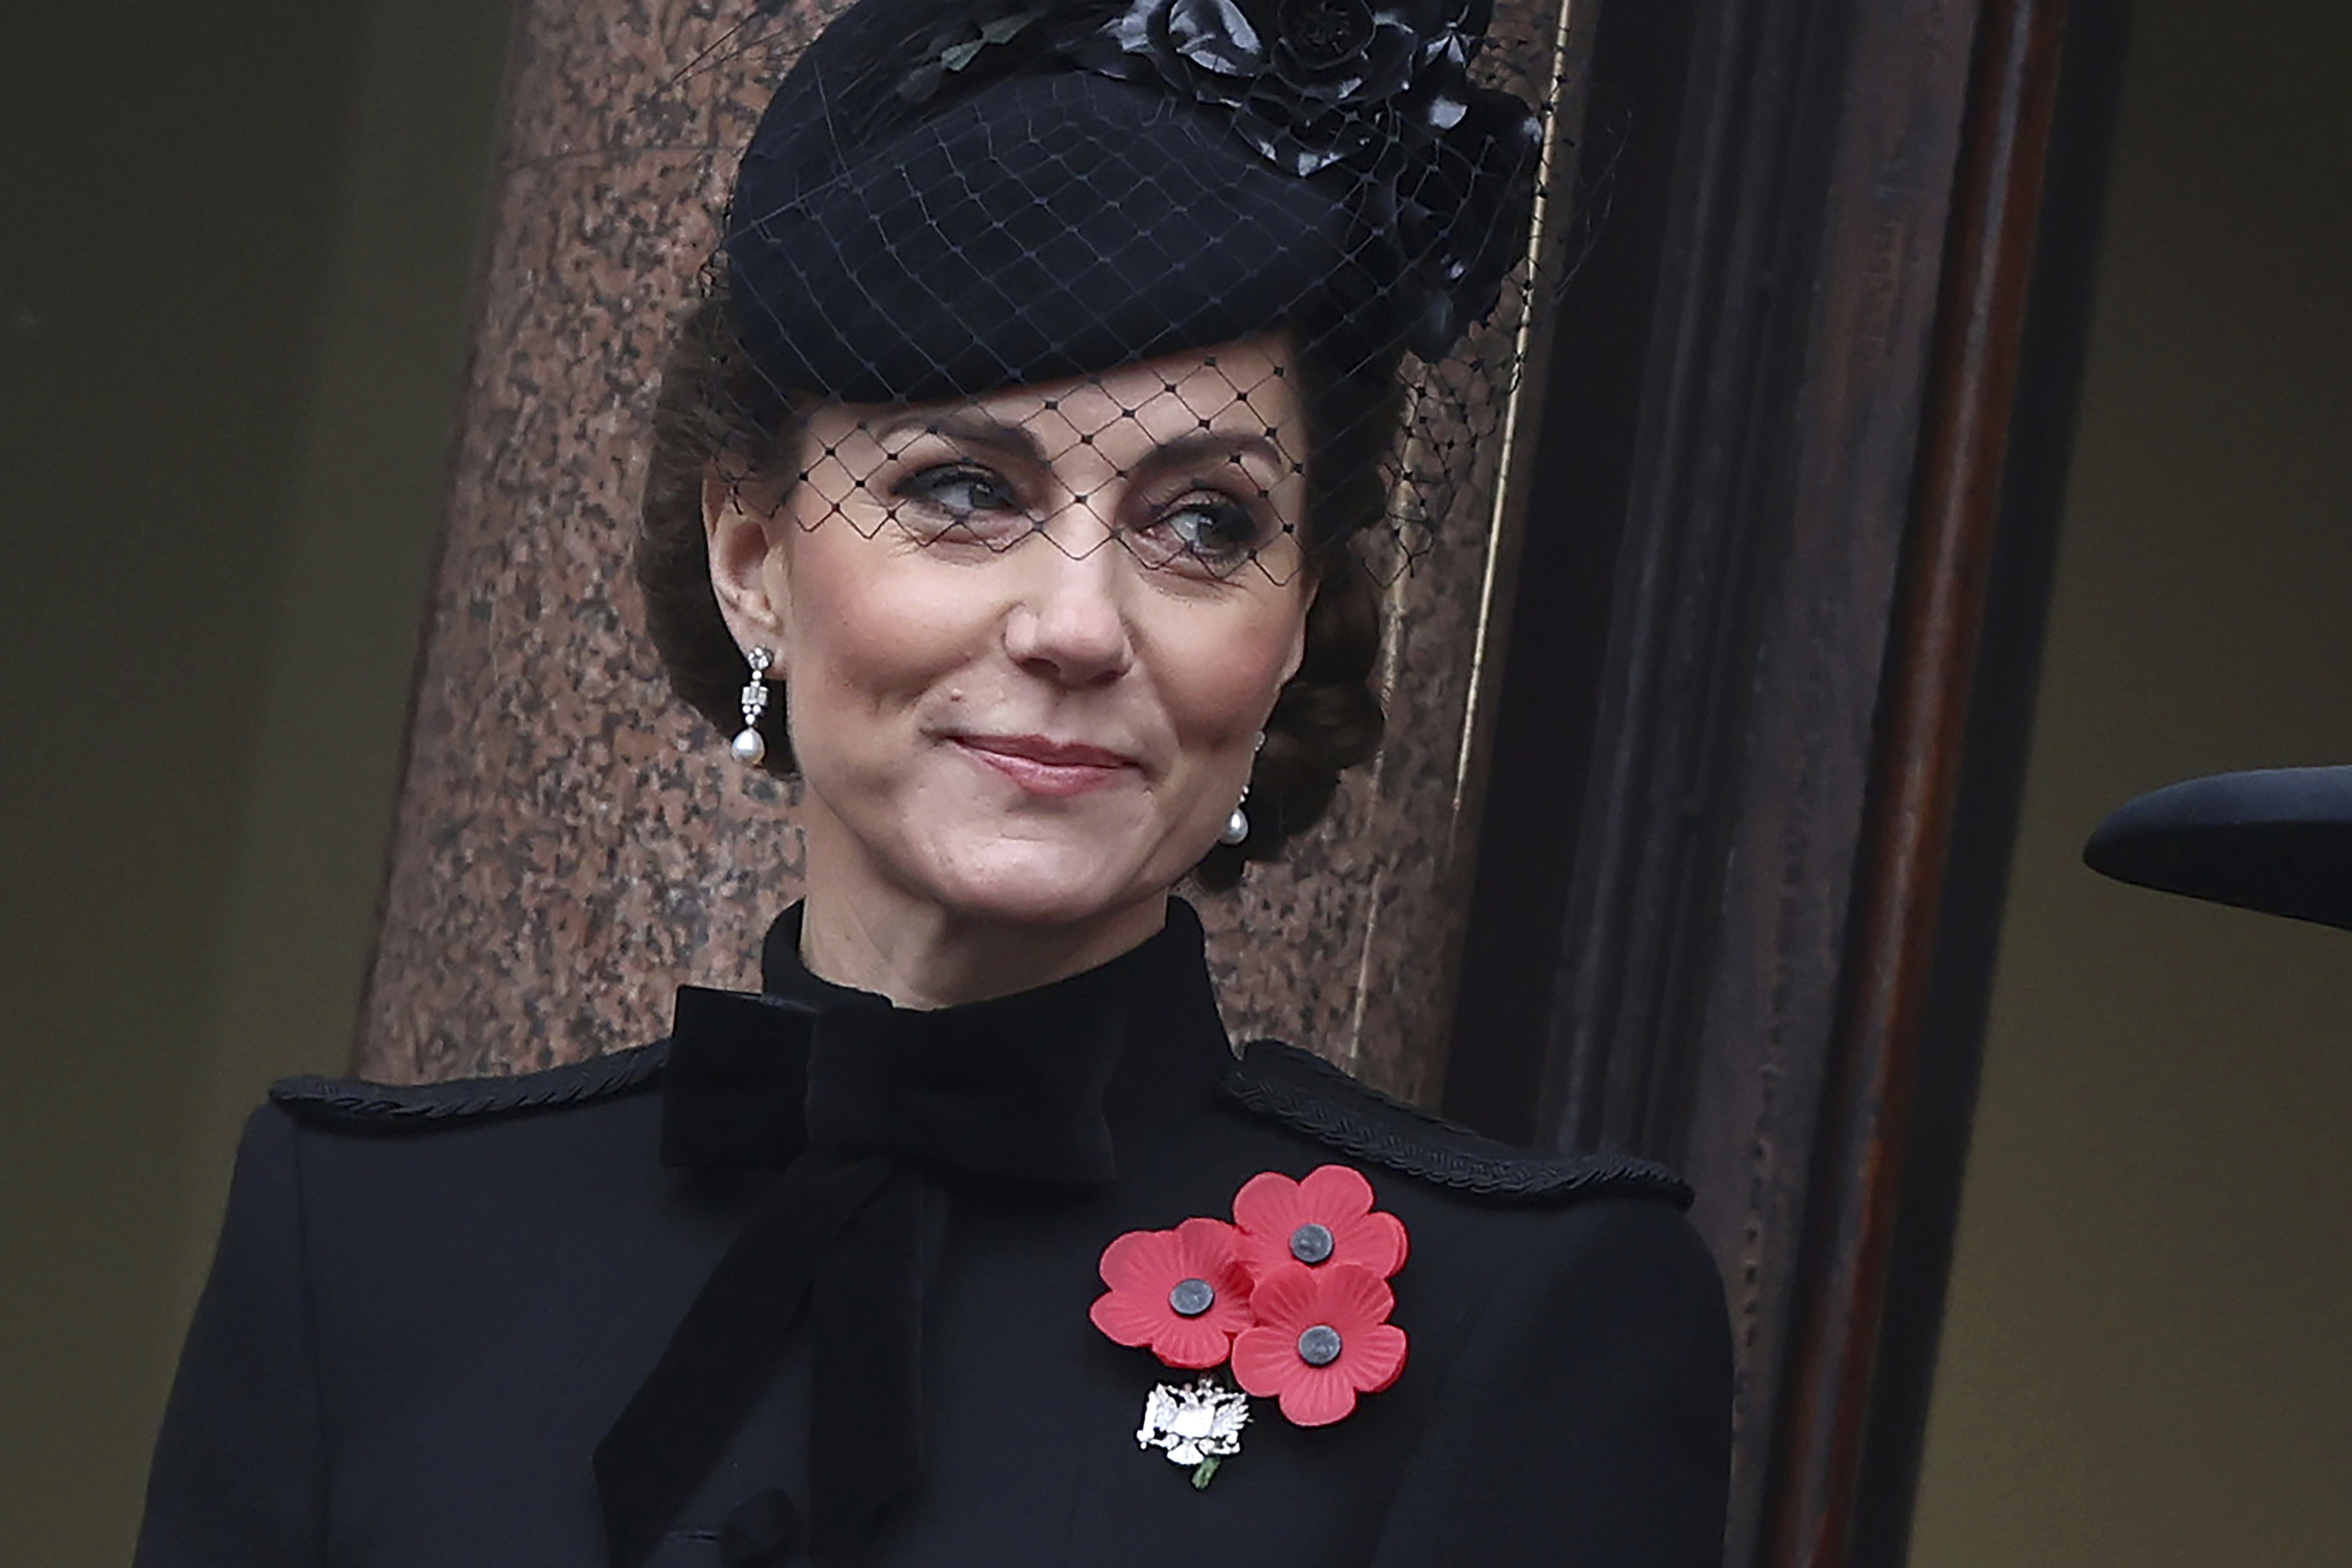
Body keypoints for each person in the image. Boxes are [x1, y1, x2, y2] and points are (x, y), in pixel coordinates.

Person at [136, 0, 1733, 1563]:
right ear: (751, 555)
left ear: (1297, 621)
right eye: (964, 491)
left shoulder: (1513, 1317)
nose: (1075, 626)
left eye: (1203, 526)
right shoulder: (366, 1246)